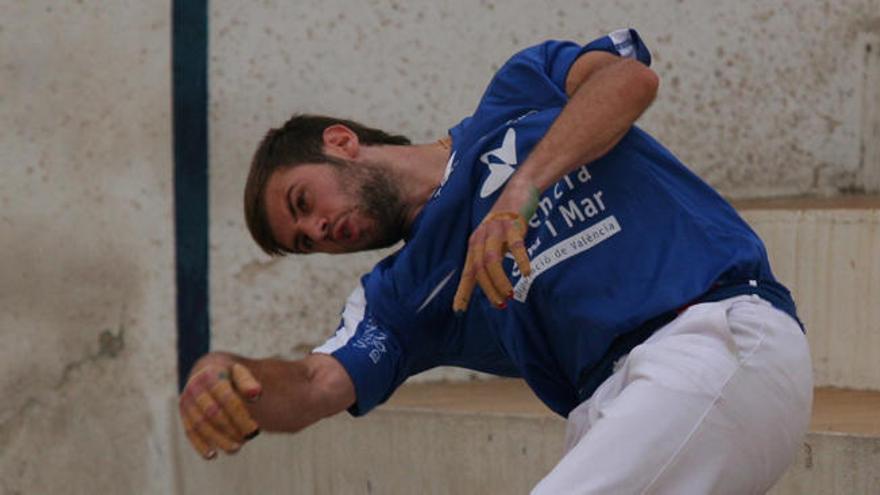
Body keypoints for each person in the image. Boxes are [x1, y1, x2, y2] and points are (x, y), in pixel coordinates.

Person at [178, 28, 813, 493]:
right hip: (609, 411)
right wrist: (228, 374)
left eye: (303, 202)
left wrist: (523, 189)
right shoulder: (402, 298)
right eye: (305, 242)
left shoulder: (521, 88)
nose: (319, 230)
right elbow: (316, 385)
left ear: (341, 143)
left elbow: (628, 80)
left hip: (716, 338)